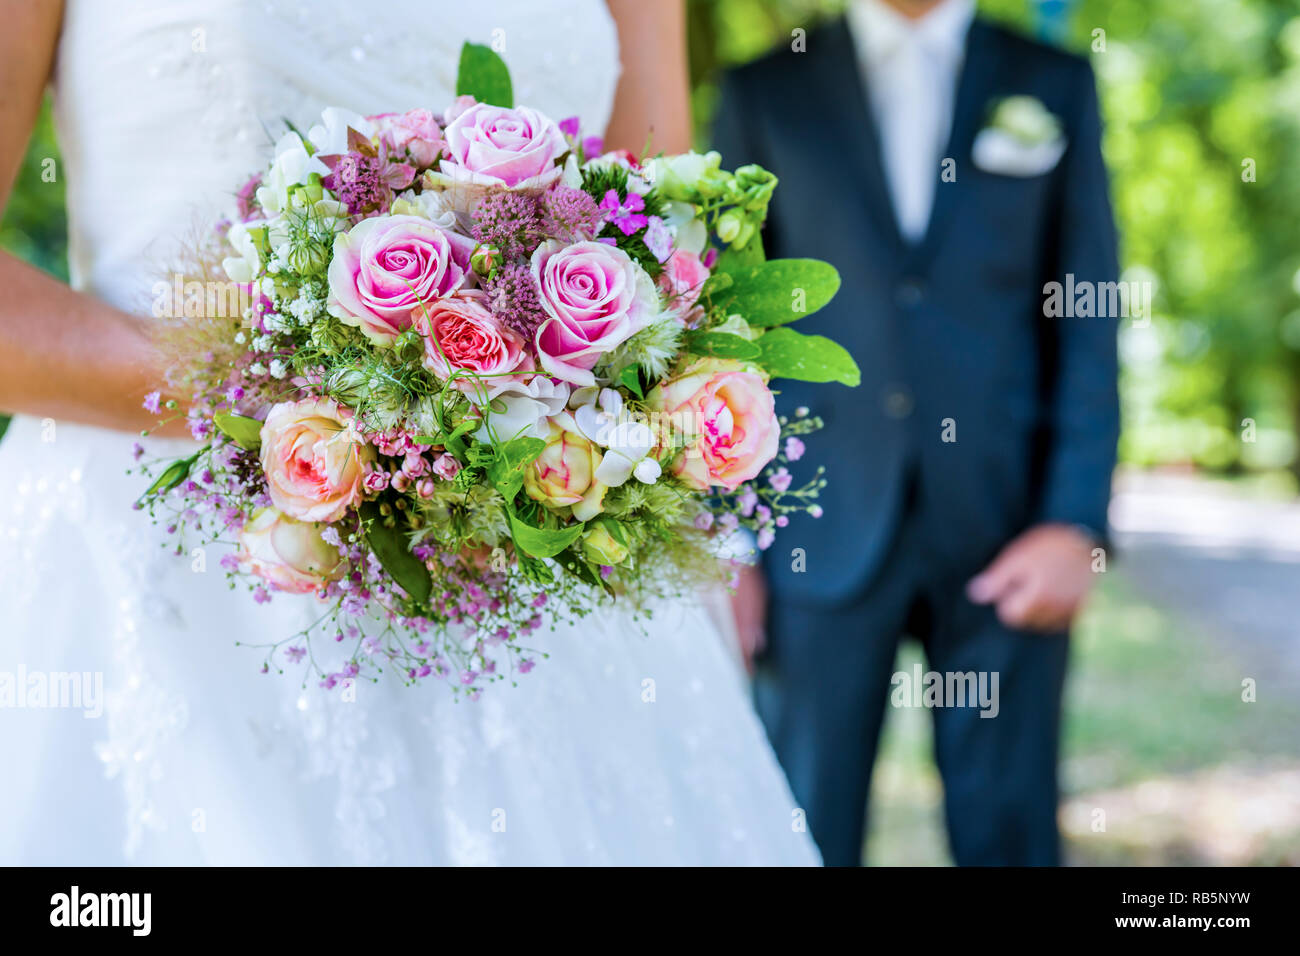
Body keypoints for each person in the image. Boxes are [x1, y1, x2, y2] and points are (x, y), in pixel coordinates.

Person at [0, 0, 818, 866]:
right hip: (178, 555)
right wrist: (307, 410)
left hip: (525, 573)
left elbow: (655, 238)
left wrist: (533, 429)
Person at [715, 0, 1119, 865]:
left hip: (1007, 530)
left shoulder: (1053, 82)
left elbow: (1088, 313)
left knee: (1010, 832)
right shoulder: (763, 88)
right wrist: (728, 535)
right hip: (806, 531)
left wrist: (1076, 525)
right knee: (796, 834)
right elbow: (719, 330)